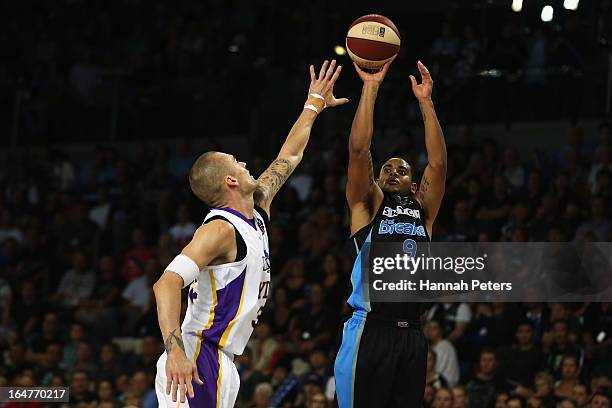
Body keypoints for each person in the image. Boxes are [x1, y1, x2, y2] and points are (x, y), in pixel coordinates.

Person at [152, 59, 348, 408]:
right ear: (230, 181)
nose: (245, 165)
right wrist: (176, 352)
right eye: (237, 163)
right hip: (198, 355)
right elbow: (165, 284)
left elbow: (290, 154)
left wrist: (313, 104)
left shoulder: (256, 211)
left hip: (223, 360)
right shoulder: (220, 230)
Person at [335, 60, 447, 408]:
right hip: (370, 329)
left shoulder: (423, 211)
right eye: (387, 169)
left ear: (415, 185)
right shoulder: (366, 206)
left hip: (413, 334)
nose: (393, 171)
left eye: (402, 169)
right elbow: (358, 149)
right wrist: (370, 87)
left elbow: (439, 164)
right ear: (378, 181)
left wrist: (425, 101)